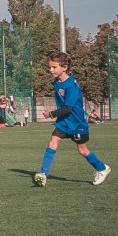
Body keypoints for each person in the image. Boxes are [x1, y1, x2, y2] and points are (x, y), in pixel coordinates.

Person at [34, 51, 111, 187]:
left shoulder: (72, 86)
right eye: (50, 67)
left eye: (54, 67)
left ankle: (102, 168)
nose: (50, 70)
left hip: (76, 123)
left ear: (64, 67)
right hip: (63, 122)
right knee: (52, 142)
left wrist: (50, 114)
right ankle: (43, 174)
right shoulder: (56, 82)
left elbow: (68, 108)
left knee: (82, 150)